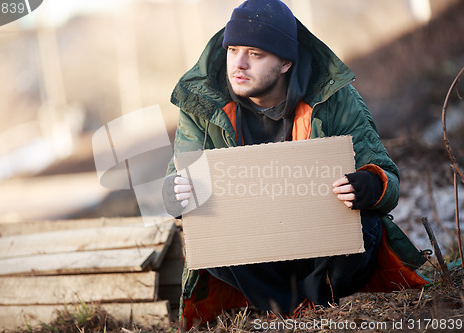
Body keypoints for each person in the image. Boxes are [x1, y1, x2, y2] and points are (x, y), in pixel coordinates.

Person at [162, 0, 428, 329]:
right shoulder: (202, 105)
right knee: (202, 233)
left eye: (255, 54)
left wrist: (369, 185)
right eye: (232, 50)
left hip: (321, 250)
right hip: (253, 250)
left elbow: (386, 177)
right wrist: (176, 195)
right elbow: (176, 182)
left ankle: (314, 300)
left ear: (286, 62)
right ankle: (282, 305)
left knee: (368, 224)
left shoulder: (335, 98)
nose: (239, 64)